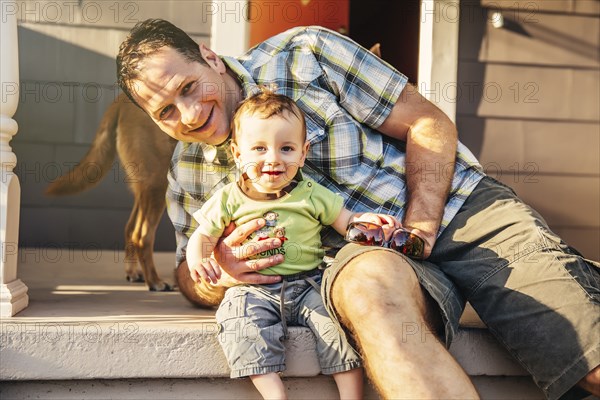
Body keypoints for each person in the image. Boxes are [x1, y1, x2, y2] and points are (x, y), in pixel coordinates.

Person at [116, 19, 600, 399]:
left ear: (209, 58)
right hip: (362, 259)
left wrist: (421, 227)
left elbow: (427, 123)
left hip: (461, 211)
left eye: (187, 88)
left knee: (588, 357)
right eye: (165, 113)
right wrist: (217, 271)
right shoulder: (189, 169)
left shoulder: (306, 54)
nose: (189, 115)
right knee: (368, 292)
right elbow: (185, 271)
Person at [187, 88, 385, 399]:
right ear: (238, 154)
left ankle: (351, 395)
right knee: (239, 322)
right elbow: (203, 235)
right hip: (252, 290)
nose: (273, 160)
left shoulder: (311, 192)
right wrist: (197, 258)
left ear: (303, 152)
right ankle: (274, 394)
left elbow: (346, 222)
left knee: (339, 327)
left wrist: (368, 223)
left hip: (310, 284)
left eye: (287, 148)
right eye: (259, 149)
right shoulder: (228, 198)